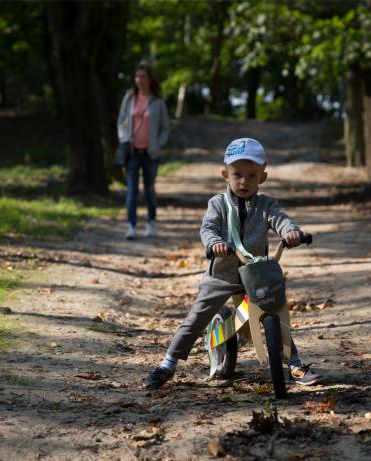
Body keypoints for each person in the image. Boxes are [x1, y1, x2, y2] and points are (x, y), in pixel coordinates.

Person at [143, 137, 320, 389]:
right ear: (226, 175)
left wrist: (291, 232)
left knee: (276, 310)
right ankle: (168, 363)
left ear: (262, 177)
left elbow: (280, 219)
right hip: (222, 275)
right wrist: (215, 243)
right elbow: (208, 228)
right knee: (198, 316)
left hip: (255, 274)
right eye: (237, 174)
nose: (244, 181)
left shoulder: (266, 205)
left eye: (252, 175)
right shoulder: (217, 204)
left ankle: (295, 363)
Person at [116, 64, 170, 240]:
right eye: (136, 76)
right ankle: (131, 226)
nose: (139, 79)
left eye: (142, 76)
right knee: (132, 191)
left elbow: (165, 127)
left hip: (150, 154)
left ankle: (151, 223)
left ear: (150, 79)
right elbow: (121, 121)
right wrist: (124, 139)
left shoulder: (158, 102)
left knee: (149, 190)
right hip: (132, 152)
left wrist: (158, 145)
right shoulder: (129, 98)